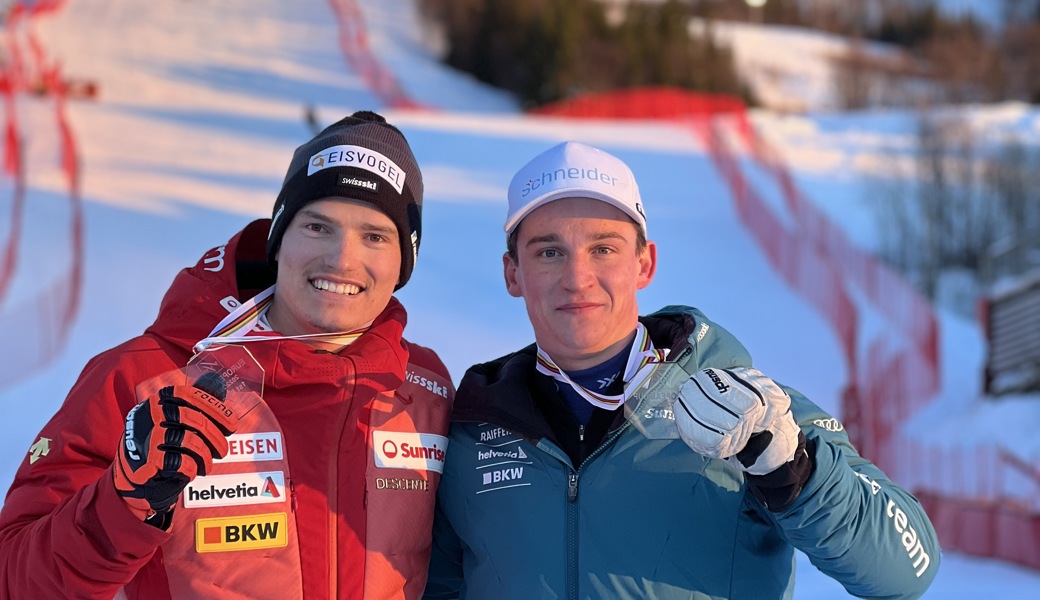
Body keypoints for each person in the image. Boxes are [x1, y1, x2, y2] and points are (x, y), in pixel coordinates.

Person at [423, 141, 940, 600]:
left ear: (644, 263)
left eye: (603, 248)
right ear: (513, 272)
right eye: (549, 251)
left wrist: (792, 470)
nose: (577, 278)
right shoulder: (472, 425)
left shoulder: (745, 407)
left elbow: (905, 571)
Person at [0, 111, 454, 599]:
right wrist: (122, 505)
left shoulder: (424, 388)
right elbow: (14, 578)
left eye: (374, 236)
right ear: (279, 239)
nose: (342, 259)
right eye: (318, 227)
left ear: (403, 261)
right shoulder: (144, 376)